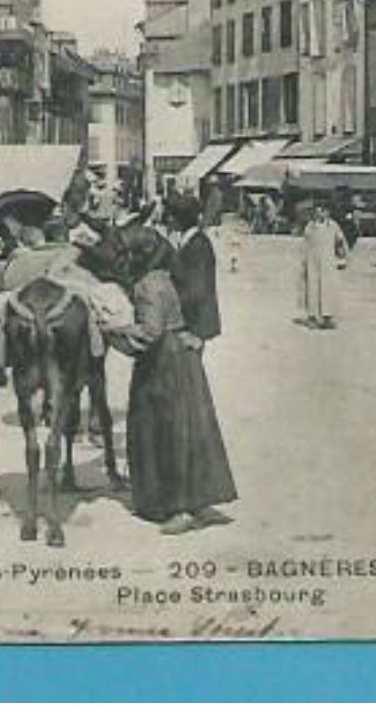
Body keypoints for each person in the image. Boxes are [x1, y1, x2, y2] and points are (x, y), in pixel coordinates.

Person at [117, 225, 237, 533]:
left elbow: (150, 333)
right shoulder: (167, 277)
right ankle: (199, 501)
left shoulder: (147, 285)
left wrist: (114, 333)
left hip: (162, 362)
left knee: (164, 429)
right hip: (184, 359)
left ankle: (177, 507)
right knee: (193, 427)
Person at [165, 193, 221, 343]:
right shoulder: (189, 240)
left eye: (172, 216)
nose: (168, 219)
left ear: (181, 219)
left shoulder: (197, 246)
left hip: (194, 324)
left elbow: (197, 289)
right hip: (190, 320)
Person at [300, 202, 349, 330]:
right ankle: (312, 317)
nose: (320, 213)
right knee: (313, 288)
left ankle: (328, 317)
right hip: (312, 262)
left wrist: (343, 258)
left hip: (328, 262)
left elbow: (341, 242)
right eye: (317, 211)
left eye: (323, 211)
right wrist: (304, 261)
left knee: (328, 288)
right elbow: (305, 244)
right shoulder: (310, 226)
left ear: (327, 212)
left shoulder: (333, 226)